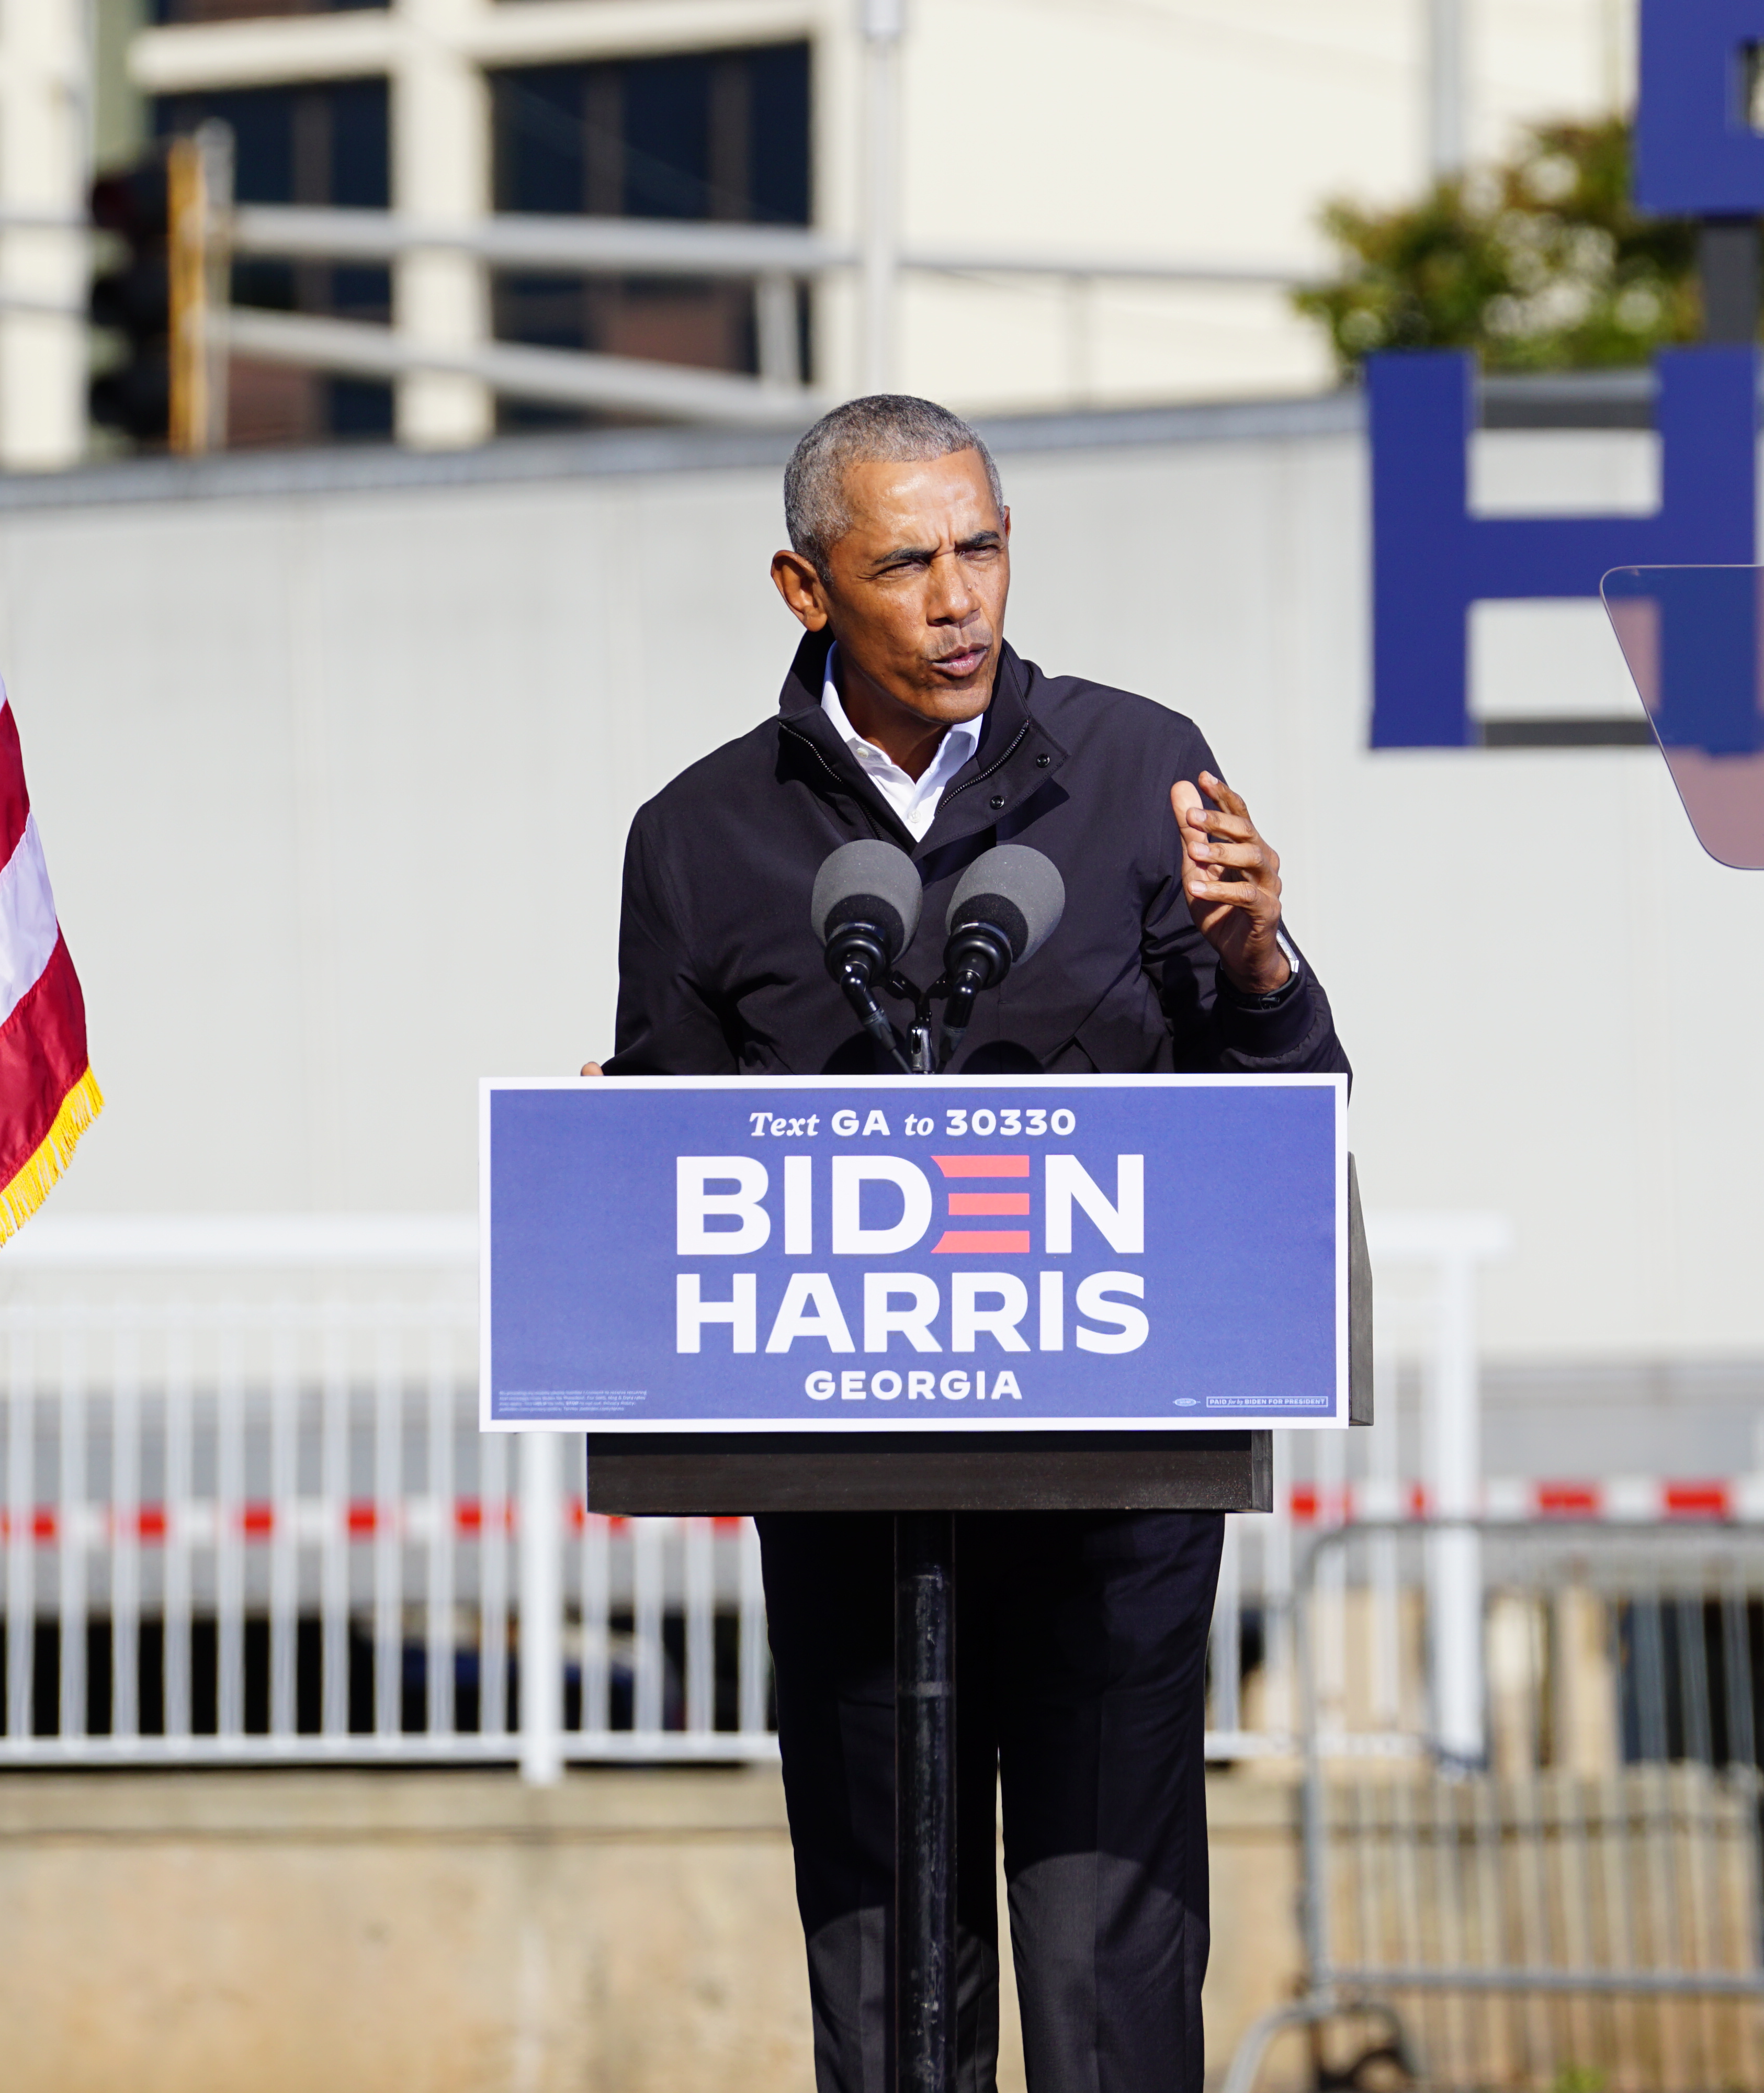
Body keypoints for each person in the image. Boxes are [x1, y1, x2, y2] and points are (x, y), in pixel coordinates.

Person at [595, 394, 1350, 2093]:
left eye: (984, 549)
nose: (961, 602)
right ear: (805, 590)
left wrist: (1259, 971)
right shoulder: (700, 839)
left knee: (1108, 1979)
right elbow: (670, 1193)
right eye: (909, 564)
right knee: (887, 1996)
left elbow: (1287, 1124)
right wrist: (627, 1145)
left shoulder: (1140, 766)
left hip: (1115, 1504)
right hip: (854, 1496)